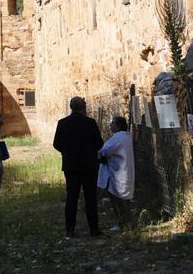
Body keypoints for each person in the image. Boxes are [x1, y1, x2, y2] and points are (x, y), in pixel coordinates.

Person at [52, 96, 104, 237]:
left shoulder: (63, 123)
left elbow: (56, 143)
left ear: (71, 107)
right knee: (90, 198)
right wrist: (89, 152)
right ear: (83, 107)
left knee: (71, 198)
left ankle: (70, 230)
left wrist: (67, 152)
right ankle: (93, 229)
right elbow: (99, 143)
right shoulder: (90, 123)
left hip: (71, 166)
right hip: (89, 166)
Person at [97, 116, 135, 231]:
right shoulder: (126, 136)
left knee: (118, 199)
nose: (110, 125)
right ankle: (126, 222)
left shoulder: (118, 137)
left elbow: (105, 151)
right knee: (123, 200)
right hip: (123, 172)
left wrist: (100, 154)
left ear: (118, 126)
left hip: (117, 173)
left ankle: (122, 223)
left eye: (112, 123)